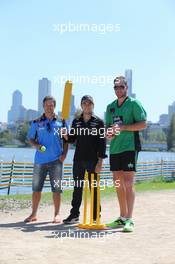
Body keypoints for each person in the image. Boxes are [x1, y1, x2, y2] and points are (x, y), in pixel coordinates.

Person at [105, 76, 147, 232]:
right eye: (115, 87)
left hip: (130, 147)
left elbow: (143, 124)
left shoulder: (134, 103)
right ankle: (122, 217)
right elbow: (108, 129)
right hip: (115, 148)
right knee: (118, 183)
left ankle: (130, 219)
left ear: (126, 88)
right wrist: (109, 133)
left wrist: (124, 127)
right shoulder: (110, 107)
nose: (118, 90)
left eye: (121, 87)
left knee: (128, 182)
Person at [62, 95, 107, 224]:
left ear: (93, 105)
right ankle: (74, 215)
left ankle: (95, 215)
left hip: (93, 161)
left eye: (89, 103)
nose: (87, 105)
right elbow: (72, 139)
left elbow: (102, 144)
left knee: (94, 189)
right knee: (77, 188)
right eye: (84, 103)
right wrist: (65, 135)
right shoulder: (76, 121)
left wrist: (100, 162)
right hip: (78, 160)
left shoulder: (99, 122)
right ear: (81, 105)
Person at [24, 96, 68, 223]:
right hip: (40, 161)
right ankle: (33, 214)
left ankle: (57, 214)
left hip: (57, 161)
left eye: (51, 105)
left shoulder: (62, 121)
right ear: (43, 106)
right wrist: (37, 146)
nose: (49, 107)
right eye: (47, 105)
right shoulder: (36, 122)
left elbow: (67, 140)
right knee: (36, 189)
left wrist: (64, 154)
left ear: (54, 106)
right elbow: (31, 139)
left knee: (57, 189)